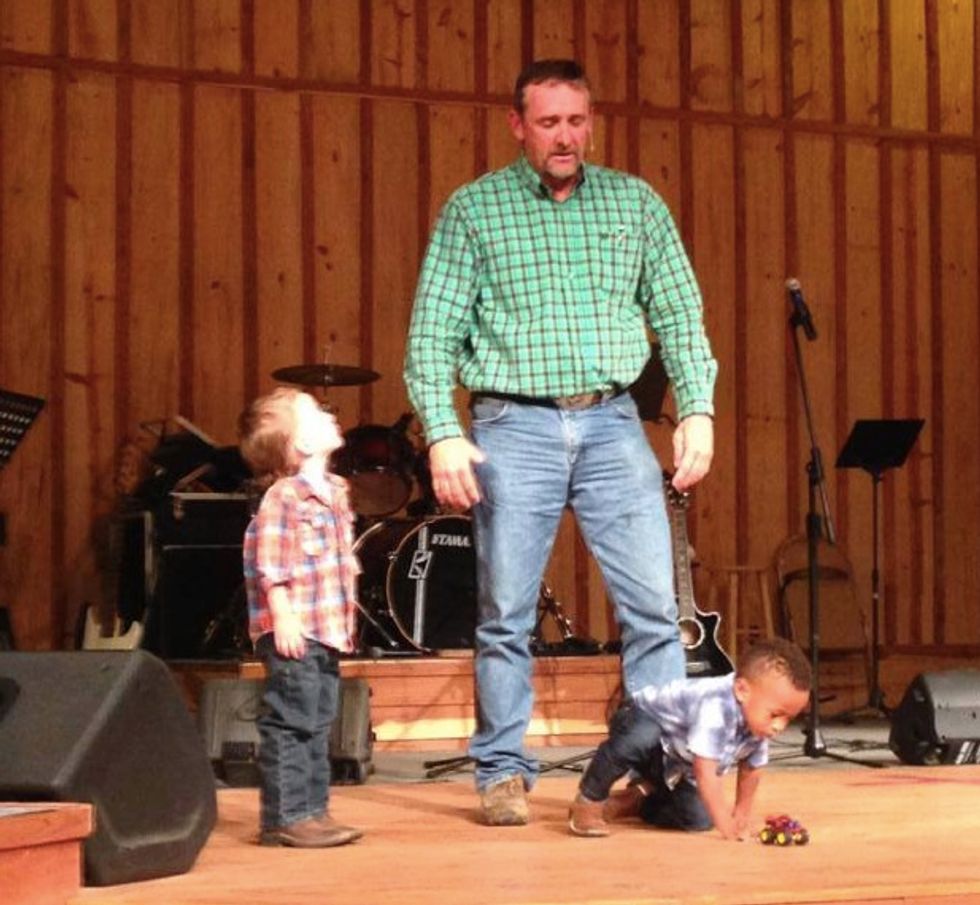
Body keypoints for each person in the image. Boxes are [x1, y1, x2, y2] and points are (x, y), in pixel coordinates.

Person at [404, 58, 718, 826]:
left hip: (613, 422)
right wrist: (442, 431)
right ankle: (501, 771)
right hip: (513, 425)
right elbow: (431, 333)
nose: (565, 136)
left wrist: (698, 408)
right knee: (505, 612)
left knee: (654, 609)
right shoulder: (475, 209)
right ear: (518, 126)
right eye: (549, 122)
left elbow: (680, 313)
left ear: (591, 122)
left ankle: (654, 766)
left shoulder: (634, 202)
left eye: (577, 120)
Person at [239, 387, 363, 848]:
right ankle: (286, 816)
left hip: (327, 629)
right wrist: (283, 616)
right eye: (314, 412)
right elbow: (269, 562)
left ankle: (314, 810)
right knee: (292, 719)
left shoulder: (336, 491)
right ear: (303, 444)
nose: (328, 414)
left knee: (318, 719)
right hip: (296, 628)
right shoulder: (284, 497)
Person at [568, 637, 812, 839]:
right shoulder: (715, 705)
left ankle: (639, 800)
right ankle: (589, 800)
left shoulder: (758, 721)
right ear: (741, 690)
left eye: (789, 719)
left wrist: (740, 814)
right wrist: (725, 824)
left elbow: (751, 769)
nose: (779, 726)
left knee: (698, 819)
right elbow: (705, 772)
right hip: (642, 723)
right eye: (775, 715)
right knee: (640, 737)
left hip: (678, 759)